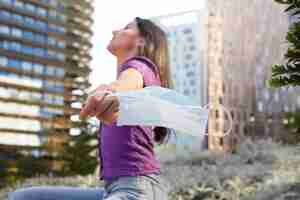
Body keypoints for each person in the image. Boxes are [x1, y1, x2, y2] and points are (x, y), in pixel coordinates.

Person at [8, 17, 171, 200]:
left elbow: (129, 81)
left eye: (126, 28)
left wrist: (112, 92)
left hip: (138, 191)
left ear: (142, 40)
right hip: (112, 190)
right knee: (24, 197)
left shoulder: (142, 67)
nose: (114, 31)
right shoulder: (133, 75)